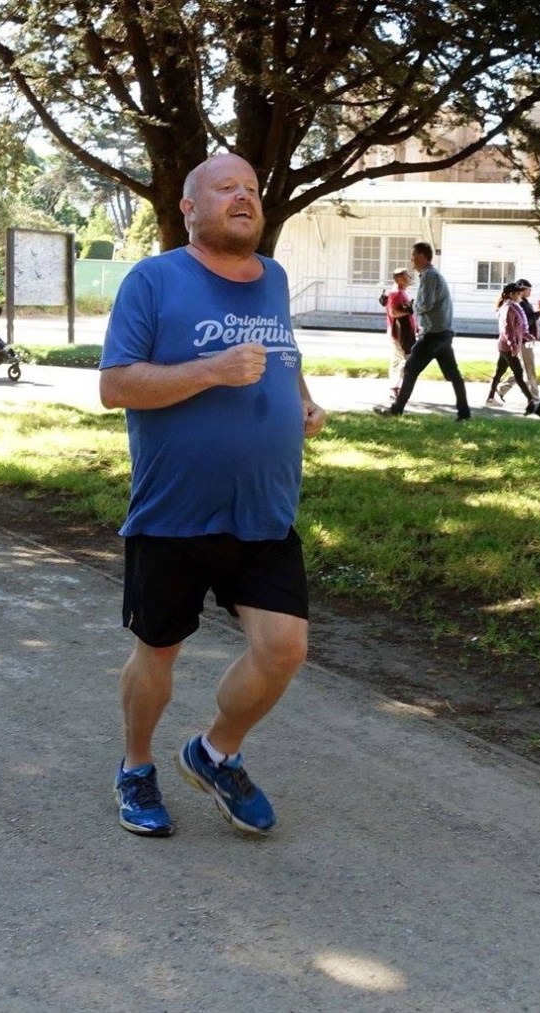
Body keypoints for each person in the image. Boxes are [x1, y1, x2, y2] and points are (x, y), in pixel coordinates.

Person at [98, 153, 326, 838]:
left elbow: (286, 353)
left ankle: (215, 751)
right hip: (174, 513)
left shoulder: (274, 277)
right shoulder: (154, 280)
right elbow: (116, 385)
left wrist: (306, 401)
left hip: (264, 508)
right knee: (157, 651)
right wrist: (210, 371)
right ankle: (136, 764)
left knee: (284, 647)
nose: (243, 197)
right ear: (189, 208)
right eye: (225, 187)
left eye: (251, 189)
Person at [373, 242, 471, 421]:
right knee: (453, 375)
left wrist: (412, 306)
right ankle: (464, 413)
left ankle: (396, 410)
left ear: (421, 256)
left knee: (410, 369)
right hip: (443, 334)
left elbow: (425, 304)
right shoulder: (433, 275)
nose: (411, 260)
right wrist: (414, 305)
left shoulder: (429, 276)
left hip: (432, 336)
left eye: (413, 255)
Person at [485, 282, 537, 407]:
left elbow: (520, 328)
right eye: (518, 293)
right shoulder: (508, 308)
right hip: (508, 347)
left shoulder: (514, 307)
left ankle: (490, 399)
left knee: (499, 373)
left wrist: (528, 336)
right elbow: (507, 328)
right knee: (519, 374)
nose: (520, 295)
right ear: (511, 294)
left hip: (506, 346)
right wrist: (513, 344)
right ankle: (532, 401)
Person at [497, 278, 540, 401]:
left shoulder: (524, 303)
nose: (530, 292)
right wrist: (539, 313)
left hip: (526, 340)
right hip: (522, 341)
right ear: (521, 291)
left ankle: (503, 388)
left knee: (522, 368)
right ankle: (534, 397)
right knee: (530, 368)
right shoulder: (519, 305)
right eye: (528, 290)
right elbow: (524, 323)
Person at [382, 268, 417, 400]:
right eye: (407, 276)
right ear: (399, 279)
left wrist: (416, 327)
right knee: (400, 361)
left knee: (403, 360)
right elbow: (393, 313)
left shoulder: (402, 292)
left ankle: (399, 388)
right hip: (398, 334)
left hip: (405, 333)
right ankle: (394, 388)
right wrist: (408, 311)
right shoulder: (396, 293)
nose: (410, 278)